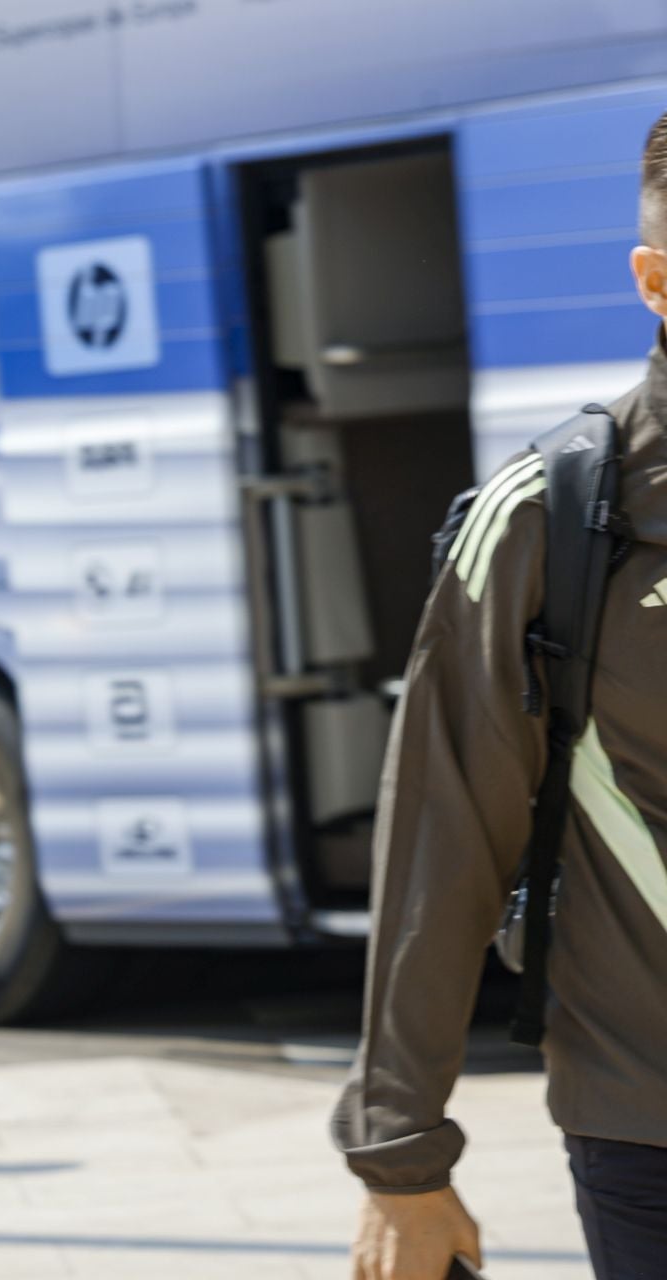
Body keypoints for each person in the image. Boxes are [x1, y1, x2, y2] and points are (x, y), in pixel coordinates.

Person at [338, 109, 667, 1280]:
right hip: (651, 1121)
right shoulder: (551, 515)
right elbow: (441, 834)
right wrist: (402, 1157)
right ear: (655, 280)